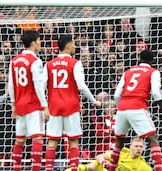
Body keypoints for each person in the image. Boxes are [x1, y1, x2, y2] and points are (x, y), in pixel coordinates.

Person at [43, 34, 101, 171]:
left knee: (53, 141)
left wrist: (43, 105)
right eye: (74, 44)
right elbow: (81, 86)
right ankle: (74, 169)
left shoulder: (48, 64)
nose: (75, 46)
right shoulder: (75, 63)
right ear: (68, 46)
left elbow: (41, 86)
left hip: (54, 106)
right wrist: (94, 101)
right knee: (73, 140)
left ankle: (48, 169)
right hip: (71, 106)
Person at [110, 49, 162, 171]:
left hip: (122, 108)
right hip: (138, 106)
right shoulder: (153, 72)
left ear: (139, 59)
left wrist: (120, 107)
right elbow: (156, 93)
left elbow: (116, 95)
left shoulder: (128, 72)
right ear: (152, 61)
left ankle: (111, 168)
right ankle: (158, 169)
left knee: (119, 142)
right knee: (152, 138)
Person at [7, 30, 50, 171]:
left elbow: (11, 84)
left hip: (20, 105)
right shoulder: (36, 61)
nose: (40, 43)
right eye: (38, 40)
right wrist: (44, 106)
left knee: (19, 140)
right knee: (37, 139)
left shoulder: (14, 61)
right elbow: (38, 85)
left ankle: (16, 169)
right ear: (33, 43)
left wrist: (13, 103)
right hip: (33, 105)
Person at [65, 137, 152, 171]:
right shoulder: (122, 152)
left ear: (144, 149)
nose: (138, 148)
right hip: (100, 168)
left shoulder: (144, 166)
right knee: (80, 168)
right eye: (136, 146)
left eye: (141, 147)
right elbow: (99, 156)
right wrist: (105, 164)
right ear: (130, 147)